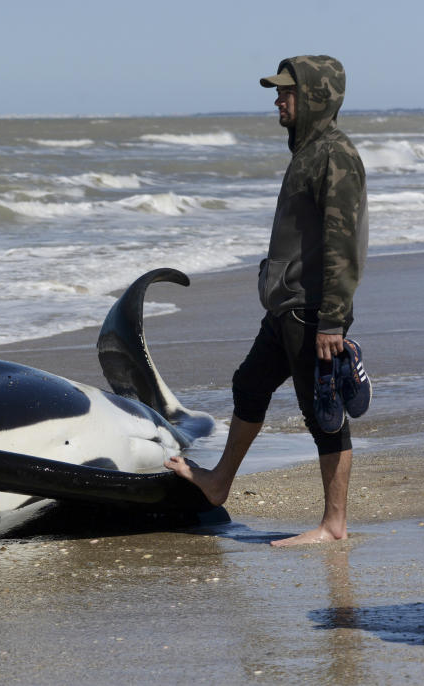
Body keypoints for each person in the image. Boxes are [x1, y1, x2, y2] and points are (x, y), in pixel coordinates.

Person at [164, 55, 368, 546]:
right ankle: (218, 482)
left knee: (323, 414)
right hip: (285, 307)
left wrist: (333, 322)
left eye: (287, 92)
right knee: (249, 384)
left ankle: (333, 524)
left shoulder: (334, 156)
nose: (278, 100)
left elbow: (343, 244)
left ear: (315, 96)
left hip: (312, 310)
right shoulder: (307, 151)